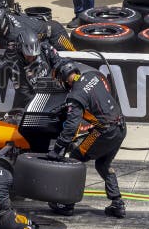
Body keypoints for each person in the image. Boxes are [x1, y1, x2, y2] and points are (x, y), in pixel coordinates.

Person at [47, 61, 127, 219]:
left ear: (64, 79)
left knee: (76, 158)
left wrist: (58, 148)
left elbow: (71, 127)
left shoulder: (75, 95)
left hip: (105, 132)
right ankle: (117, 203)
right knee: (103, 164)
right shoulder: (92, 76)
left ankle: (67, 204)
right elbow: (97, 100)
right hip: (121, 127)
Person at [0, 28, 65, 103]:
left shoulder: (46, 48)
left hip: (55, 90)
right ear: (21, 50)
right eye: (29, 56)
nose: (32, 58)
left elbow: (60, 62)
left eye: (35, 56)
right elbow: (25, 94)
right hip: (33, 100)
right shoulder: (15, 67)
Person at [0, 6, 74, 55]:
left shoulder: (16, 36)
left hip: (54, 32)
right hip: (34, 29)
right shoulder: (5, 16)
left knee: (72, 56)